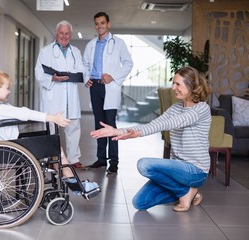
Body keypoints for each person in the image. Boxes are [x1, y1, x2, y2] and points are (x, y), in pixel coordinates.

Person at [90, 66, 211, 212]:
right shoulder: (176, 108)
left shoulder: (201, 109)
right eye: (173, 83)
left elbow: (172, 123)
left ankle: (185, 193)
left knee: (144, 165)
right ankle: (190, 192)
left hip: (195, 171)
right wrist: (116, 131)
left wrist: (138, 134)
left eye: (178, 84)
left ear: (191, 85)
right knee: (139, 203)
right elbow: (154, 124)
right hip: (176, 168)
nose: (173, 88)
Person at [0, 70, 99, 192]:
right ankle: (74, 184)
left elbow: (20, 111)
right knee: (55, 145)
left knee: (53, 147)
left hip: (8, 146)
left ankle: (69, 178)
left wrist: (40, 114)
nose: (9, 91)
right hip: (12, 149)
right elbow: (23, 113)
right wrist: (52, 118)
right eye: (7, 88)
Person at [83, 12, 133, 174]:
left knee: (110, 125)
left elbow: (128, 63)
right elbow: (84, 65)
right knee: (98, 123)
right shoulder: (91, 44)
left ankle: (114, 162)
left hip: (110, 87)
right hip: (95, 87)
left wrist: (114, 77)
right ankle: (101, 159)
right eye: (97, 23)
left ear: (108, 24)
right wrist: (86, 78)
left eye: (102, 23)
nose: (99, 26)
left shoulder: (118, 43)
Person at [35, 20, 87, 170]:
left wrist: (83, 76)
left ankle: (73, 159)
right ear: (57, 33)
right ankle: (52, 157)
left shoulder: (75, 51)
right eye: (61, 33)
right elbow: (39, 72)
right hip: (53, 96)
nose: (64, 36)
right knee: (52, 129)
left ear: (70, 35)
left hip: (71, 97)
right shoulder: (46, 51)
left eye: (67, 33)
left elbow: (82, 69)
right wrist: (52, 78)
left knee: (74, 128)